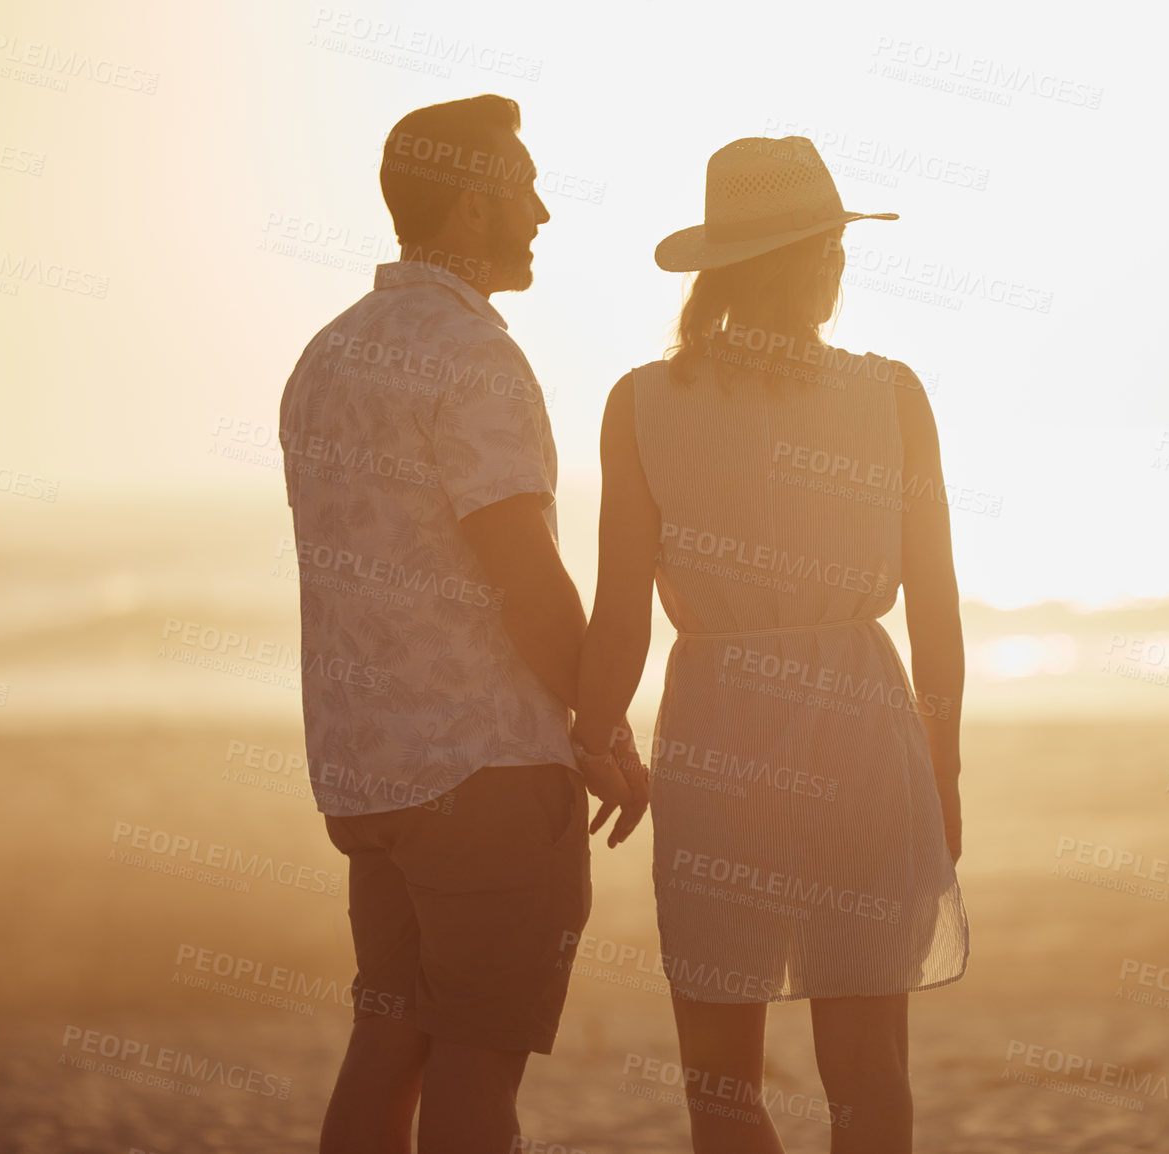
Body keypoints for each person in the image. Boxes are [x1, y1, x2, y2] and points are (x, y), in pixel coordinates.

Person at [570, 136, 969, 1154]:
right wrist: (943, 762)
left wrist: (593, 733)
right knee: (869, 1074)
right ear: (814, 260)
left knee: (717, 1079)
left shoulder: (642, 403)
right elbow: (934, 605)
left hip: (717, 731)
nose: (841, 264)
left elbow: (620, 615)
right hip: (863, 730)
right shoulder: (893, 395)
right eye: (833, 245)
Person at [278, 94, 645, 1154]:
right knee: (479, 1081)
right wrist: (600, 726)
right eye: (526, 188)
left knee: (385, 1046)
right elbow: (523, 576)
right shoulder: (477, 356)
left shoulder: (327, 356)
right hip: (483, 775)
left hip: (367, 775)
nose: (543, 211)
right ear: (477, 206)